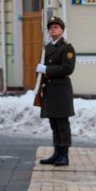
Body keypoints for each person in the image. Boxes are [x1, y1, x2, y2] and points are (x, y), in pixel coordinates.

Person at [37, 16, 76, 167]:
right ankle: (56, 152)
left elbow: (68, 68)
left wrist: (46, 69)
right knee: (53, 123)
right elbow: (41, 67)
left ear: (62, 30)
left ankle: (64, 155)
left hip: (61, 90)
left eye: (56, 27)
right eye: (51, 27)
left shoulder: (67, 48)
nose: (53, 29)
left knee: (62, 124)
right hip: (49, 89)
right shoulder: (47, 48)